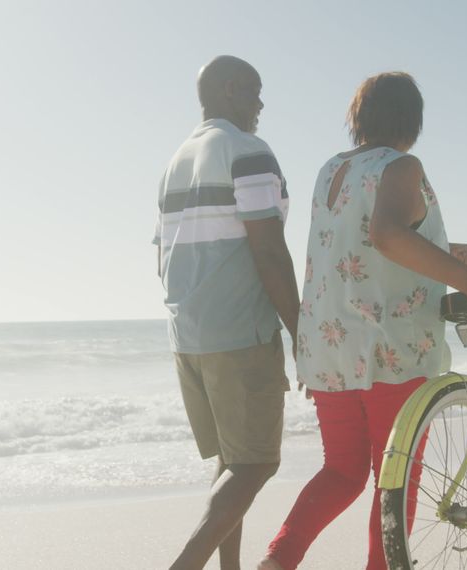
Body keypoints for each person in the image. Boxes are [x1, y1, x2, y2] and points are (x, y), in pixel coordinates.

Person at [257, 72, 467, 570]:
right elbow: (385, 235)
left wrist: (445, 249)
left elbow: (359, 242)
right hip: (389, 348)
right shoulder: (402, 165)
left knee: (340, 472)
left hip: (329, 345)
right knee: (396, 479)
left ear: (358, 118)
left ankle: (276, 561)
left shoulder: (331, 169)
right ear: (413, 120)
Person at [155, 55, 300, 570]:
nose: (261, 104)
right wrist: (300, 328)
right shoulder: (248, 150)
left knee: (232, 461)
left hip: (187, 336)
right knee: (257, 461)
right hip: (241, 333)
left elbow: (162, 255)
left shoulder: (177, 159)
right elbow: (269, 249)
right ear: (230, 88)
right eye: (254, 91)